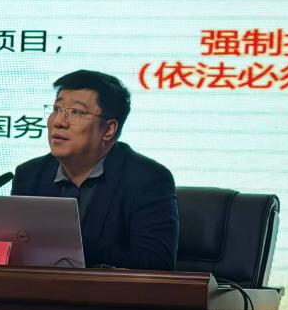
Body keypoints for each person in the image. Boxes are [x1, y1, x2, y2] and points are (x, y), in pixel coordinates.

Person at [13, 69, 179, 270]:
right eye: (57, 109)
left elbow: (157, 263)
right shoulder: (30, 175)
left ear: (109, 129)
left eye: (76, 112)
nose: (59, 122)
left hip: (107, 290)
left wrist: (70, 250)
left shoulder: (147, 179)